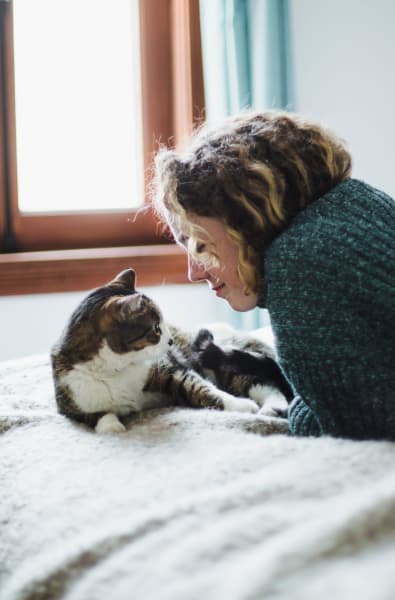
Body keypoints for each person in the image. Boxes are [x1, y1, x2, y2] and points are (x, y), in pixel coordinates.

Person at [151, 110, 395, 441]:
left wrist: (299, 411)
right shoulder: (360, 201)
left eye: (200, 244)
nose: (194, 271)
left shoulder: (298, 261)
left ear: (245, 219)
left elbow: (349, 428)